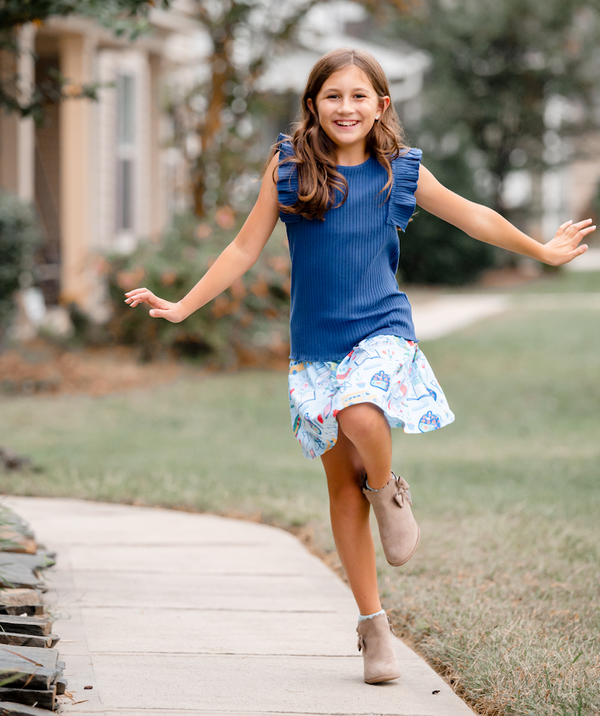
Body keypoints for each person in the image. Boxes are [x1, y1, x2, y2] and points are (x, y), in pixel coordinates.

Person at [124, 48, 594, 685]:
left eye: (358, 97)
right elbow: (242, 248)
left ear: (381, 105)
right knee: (338, 487)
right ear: (313, 105)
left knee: (360, 413)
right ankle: (374, 626)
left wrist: (540, 249)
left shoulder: (399, 170)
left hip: (380, 331)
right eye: (333, 97)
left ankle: (387, 489)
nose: (346, 108)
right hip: (314, 348)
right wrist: (182, 307)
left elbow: (473, 215)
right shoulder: (288, 168)